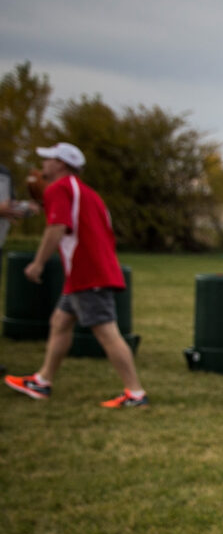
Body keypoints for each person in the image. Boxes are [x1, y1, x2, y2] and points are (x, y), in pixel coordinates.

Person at [4, 143, 147, 408]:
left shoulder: (59, 188)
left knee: (107, 332)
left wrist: (38, 263)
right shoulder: (88, 193)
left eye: (49, 159)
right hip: (91, 269)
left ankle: (136, 393)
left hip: (87, 271)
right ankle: (43, 381)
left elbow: (57, 227)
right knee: (60, 321)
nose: (44, 164)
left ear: (61, 164)